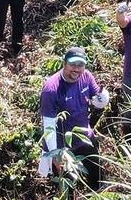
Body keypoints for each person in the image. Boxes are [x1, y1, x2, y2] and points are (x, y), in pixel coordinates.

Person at [38, 46, 109, 190]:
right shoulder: (51, 89)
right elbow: (49, 125)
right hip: (62, 147)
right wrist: (55, 155)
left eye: (80, 65)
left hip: (84, 138)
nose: (76, 69)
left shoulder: (86, 76)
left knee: (98, 179)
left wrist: (102, 98)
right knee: (67, 190)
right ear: (64, 63)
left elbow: (96, 99)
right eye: (72, 64)